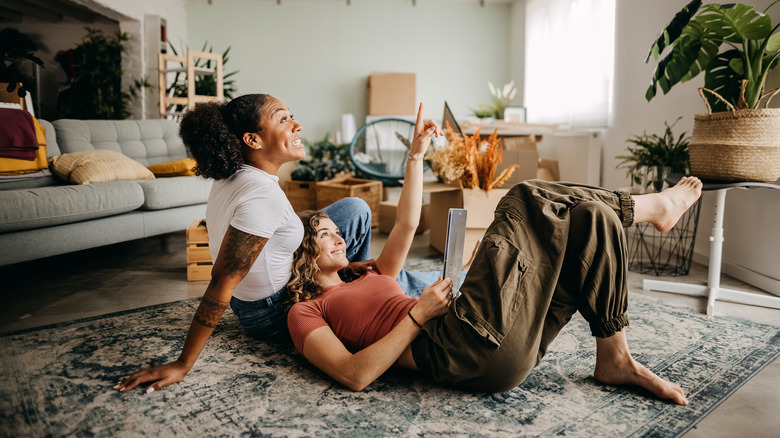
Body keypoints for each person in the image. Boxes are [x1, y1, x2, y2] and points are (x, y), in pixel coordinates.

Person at [286, 103, 702, 405]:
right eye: (325, 234)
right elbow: (354, 375)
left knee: (592, 219)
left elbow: (407, 224)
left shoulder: (369, 272)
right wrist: (419, 314)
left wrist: (416, 155)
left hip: (497, 339)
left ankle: (615, 358)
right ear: (303, 251)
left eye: (337, 231)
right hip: (458, 347)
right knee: (523, 196)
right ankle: (651, 207)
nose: (340, 238)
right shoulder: (305, 312)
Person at [114, 94, 373, 393]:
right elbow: (221, 282)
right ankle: (357, 300)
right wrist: (183, 363)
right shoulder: (262, 196)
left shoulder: (236, 173)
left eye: (291, 116)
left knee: (354, 209)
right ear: (252, 140)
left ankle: (345, 282)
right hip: (271, 312)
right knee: (369, 242)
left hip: (258, 295)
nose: (297, 125)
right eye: (283, 119)